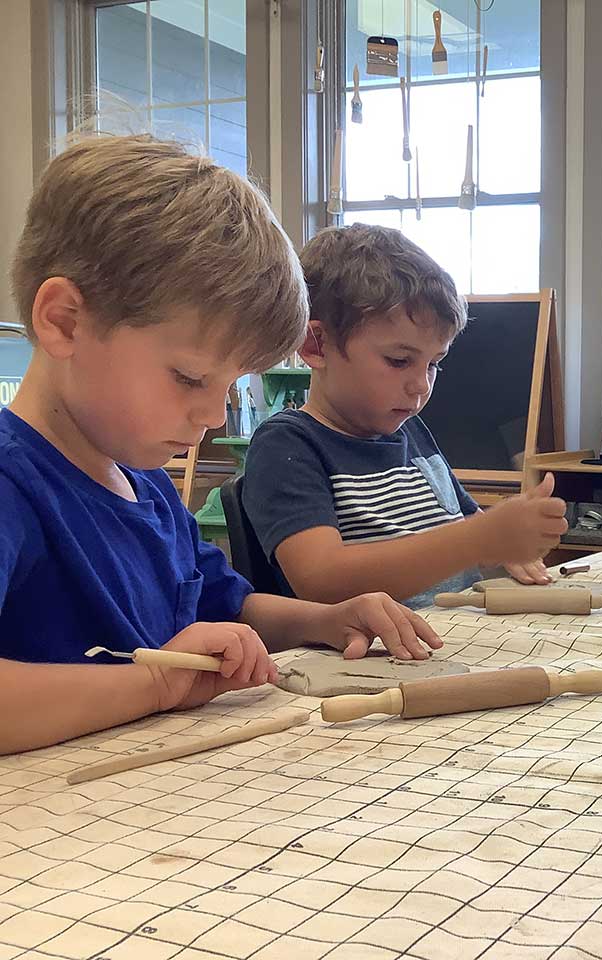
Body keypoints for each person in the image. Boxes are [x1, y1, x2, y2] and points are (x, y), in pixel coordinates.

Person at [0, 135, 441, 754]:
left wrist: (323, 618)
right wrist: (153, 685)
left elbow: (227, 606)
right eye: (188, 377)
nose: (211, 414)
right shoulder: (11, 485)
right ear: (65, 322)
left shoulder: (142, 480)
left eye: (231, 386)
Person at [242, 224, 567, 607]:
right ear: (316, 345)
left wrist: (508, 543)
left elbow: (469, 526)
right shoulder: (288, 444)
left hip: (450, 635)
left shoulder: (411, 431)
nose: (421, 385)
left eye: (434, 364)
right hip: (365, 658)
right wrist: (479, 539)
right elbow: (321, 578)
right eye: (399, 361)